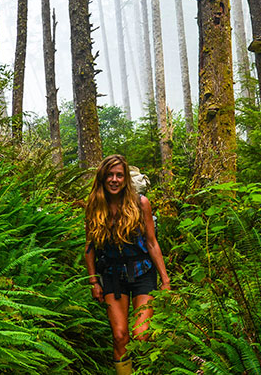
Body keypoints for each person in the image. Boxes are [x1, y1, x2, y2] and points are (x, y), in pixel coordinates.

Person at [85, 155, 169, 375]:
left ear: (126, 179)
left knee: (141, 335)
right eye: (110, 175)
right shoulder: (94, 206)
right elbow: (90, 246)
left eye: (119, 175)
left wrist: (165, 280)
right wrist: (94, 281)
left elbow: (152, 242)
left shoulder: (140, 203)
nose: (114, 180)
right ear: (102, 178)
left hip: (143, 272)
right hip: (112, 275)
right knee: (120, 335)